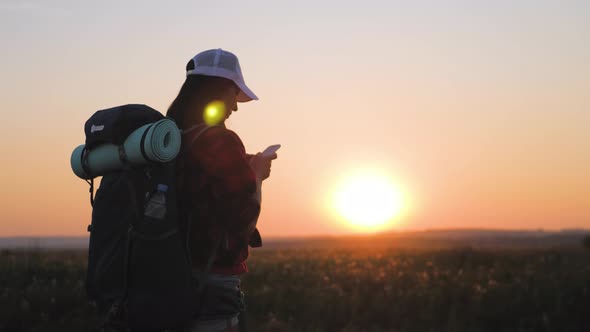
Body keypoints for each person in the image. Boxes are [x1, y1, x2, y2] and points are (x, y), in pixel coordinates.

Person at [166, 49, 276, 332]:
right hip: (213, 286)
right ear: (218, 90)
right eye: (233, 94)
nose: (235, 107)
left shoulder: (172, 139)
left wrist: (243, 166)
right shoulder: (221, 141)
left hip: (170, 282)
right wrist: (257, 174)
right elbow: (243, 220)